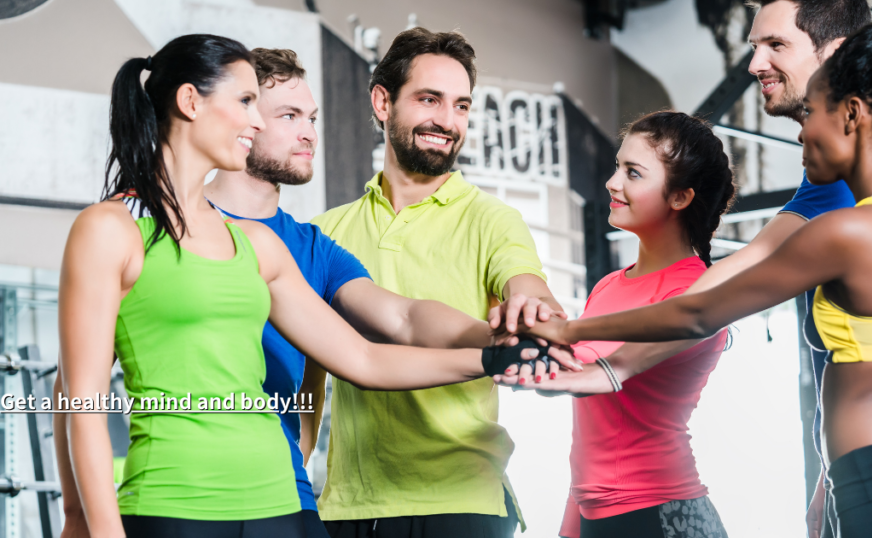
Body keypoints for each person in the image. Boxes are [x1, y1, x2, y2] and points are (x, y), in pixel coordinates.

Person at [499, 0, 872, 535]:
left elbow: (697, 312)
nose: (803, 133)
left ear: (851, 114)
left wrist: (571, 330)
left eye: (815, 112)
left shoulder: (847, 231)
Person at [57, 34, 569, 538]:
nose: (265, 124)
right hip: (177, 498)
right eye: (254, 105)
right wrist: (83, 519)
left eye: (310, 118)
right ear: (191, 102)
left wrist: (498, 352)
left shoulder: (271, 246)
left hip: (282, 498)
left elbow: (377, 343)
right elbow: (79, 395)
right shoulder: (118, 228)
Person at [309, 27, 564, 538]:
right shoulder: (327, 231)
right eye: (430, 100)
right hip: (349, 507)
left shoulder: (494, 220)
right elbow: (309, 377)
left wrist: (536, 313)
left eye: (461, 106)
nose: (447, 122)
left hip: (462, 500)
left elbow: (527, 286)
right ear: (383, 102)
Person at [552, 111, 733, 538]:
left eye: (633, 173)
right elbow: (594, 431)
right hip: (598, 516)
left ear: (680, 197)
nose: (613, 183)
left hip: (662, 516)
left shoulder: (695, 294)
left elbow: (600, 376)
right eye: (618, 167)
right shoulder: (608, 286)